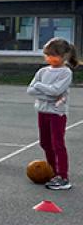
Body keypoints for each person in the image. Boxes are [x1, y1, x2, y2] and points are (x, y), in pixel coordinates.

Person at [26, 37, 78, 190]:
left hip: (57, 113)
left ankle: (63, 176)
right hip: (42, 111)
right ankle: (53, 172)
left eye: (53, 55)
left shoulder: (65, 72)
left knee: (58, 144)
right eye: (47, 55)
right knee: (45, 143)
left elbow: (57, 90)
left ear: (63, 56)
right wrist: (47, 93)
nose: (49, 58)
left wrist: (40, 87)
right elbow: (30, 90)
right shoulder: (42, 71)